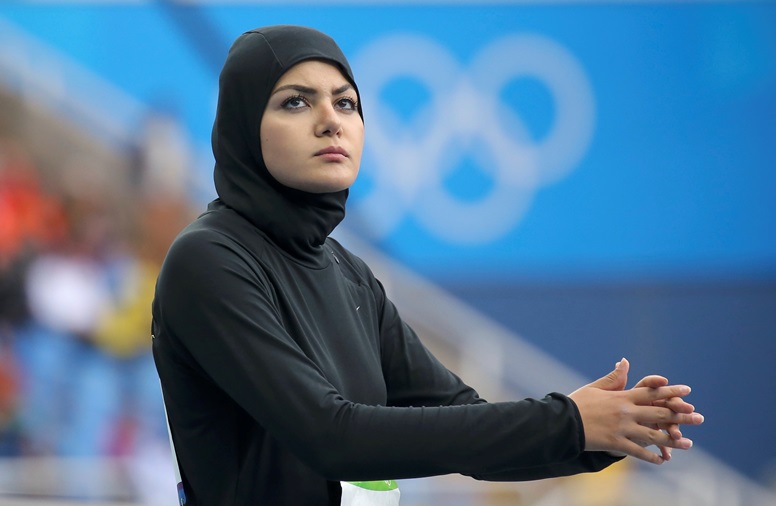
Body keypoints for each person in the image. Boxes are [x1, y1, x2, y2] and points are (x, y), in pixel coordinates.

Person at [151, 25, 704, 505]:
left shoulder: (350, 276)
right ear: (244, 126)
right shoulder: (209, 260)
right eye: (296, 101)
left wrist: (600, 434)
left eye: (346, 103)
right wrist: (568, 420)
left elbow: (469, 427)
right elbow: (330, 436)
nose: (330, 121)